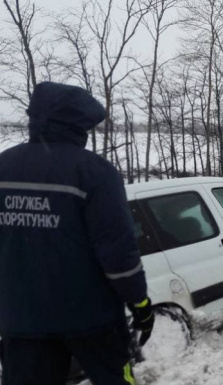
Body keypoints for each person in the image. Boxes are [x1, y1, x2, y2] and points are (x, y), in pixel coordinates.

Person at [0, 82, 154, 385]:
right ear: (78, 125)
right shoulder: (95, 172)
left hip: (21, 322)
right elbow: (119, 256)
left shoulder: (4, 166)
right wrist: (141, 305)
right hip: (92, 320)